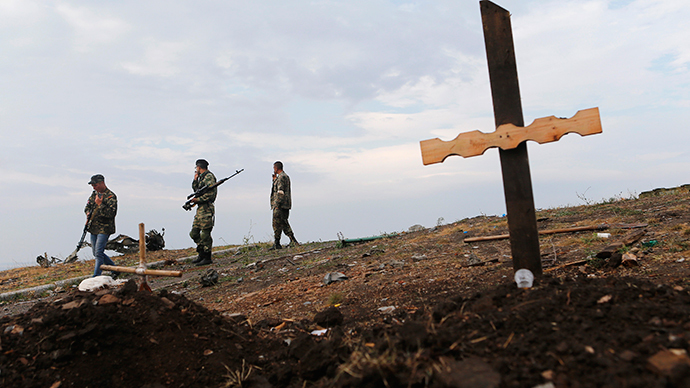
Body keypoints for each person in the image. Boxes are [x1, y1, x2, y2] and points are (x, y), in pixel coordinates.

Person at [84, 174, 119, 277]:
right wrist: (87, 213)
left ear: (101, 183)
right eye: (93, 186)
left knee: (99, 253)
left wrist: (100, 204)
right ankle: (114, 269)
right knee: (96, 252)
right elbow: (87, 207)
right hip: (94, 228)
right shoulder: (94, 195)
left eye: (95, 185)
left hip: (105, 228)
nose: (94, 187)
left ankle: (96, 276)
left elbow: (111, 214)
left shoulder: (111, 196)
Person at [189, 159, 217, 266]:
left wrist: (198, 200)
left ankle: (207, 256)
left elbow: (210, 194)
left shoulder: (209, 177)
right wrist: (195, 180)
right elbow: (196, 191)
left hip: (206, 208)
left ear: (199, 167)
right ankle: (201, 253)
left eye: (196, 168)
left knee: (205, 234)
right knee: (194, 233)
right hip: (200, 209)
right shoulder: (202, 178)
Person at [270, 161, 299, 249]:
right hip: (284, 204)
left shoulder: (282, 177)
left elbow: (280, 192)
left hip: (280, 205)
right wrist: (275, 180)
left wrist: (277, 204)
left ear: (276, 168)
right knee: (281, 223)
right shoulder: (283, 177)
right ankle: (278, 242)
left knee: (279, 223)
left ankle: (291, 241)